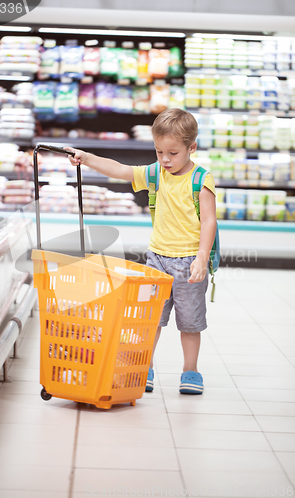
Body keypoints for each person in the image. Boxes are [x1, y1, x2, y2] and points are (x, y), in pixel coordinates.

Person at [65, 108, 217, 395]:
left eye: (172, 153)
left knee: (190, 322)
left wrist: (201, 258)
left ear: (191, 148)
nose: (165, 159)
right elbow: (120, 170)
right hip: (156, 259)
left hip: (188, 263)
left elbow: (209, 220)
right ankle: (142, 365)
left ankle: (191, 370)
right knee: (149, 319)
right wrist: (87, 159)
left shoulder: (200, 180)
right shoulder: (155, 173)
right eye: (159, 151)